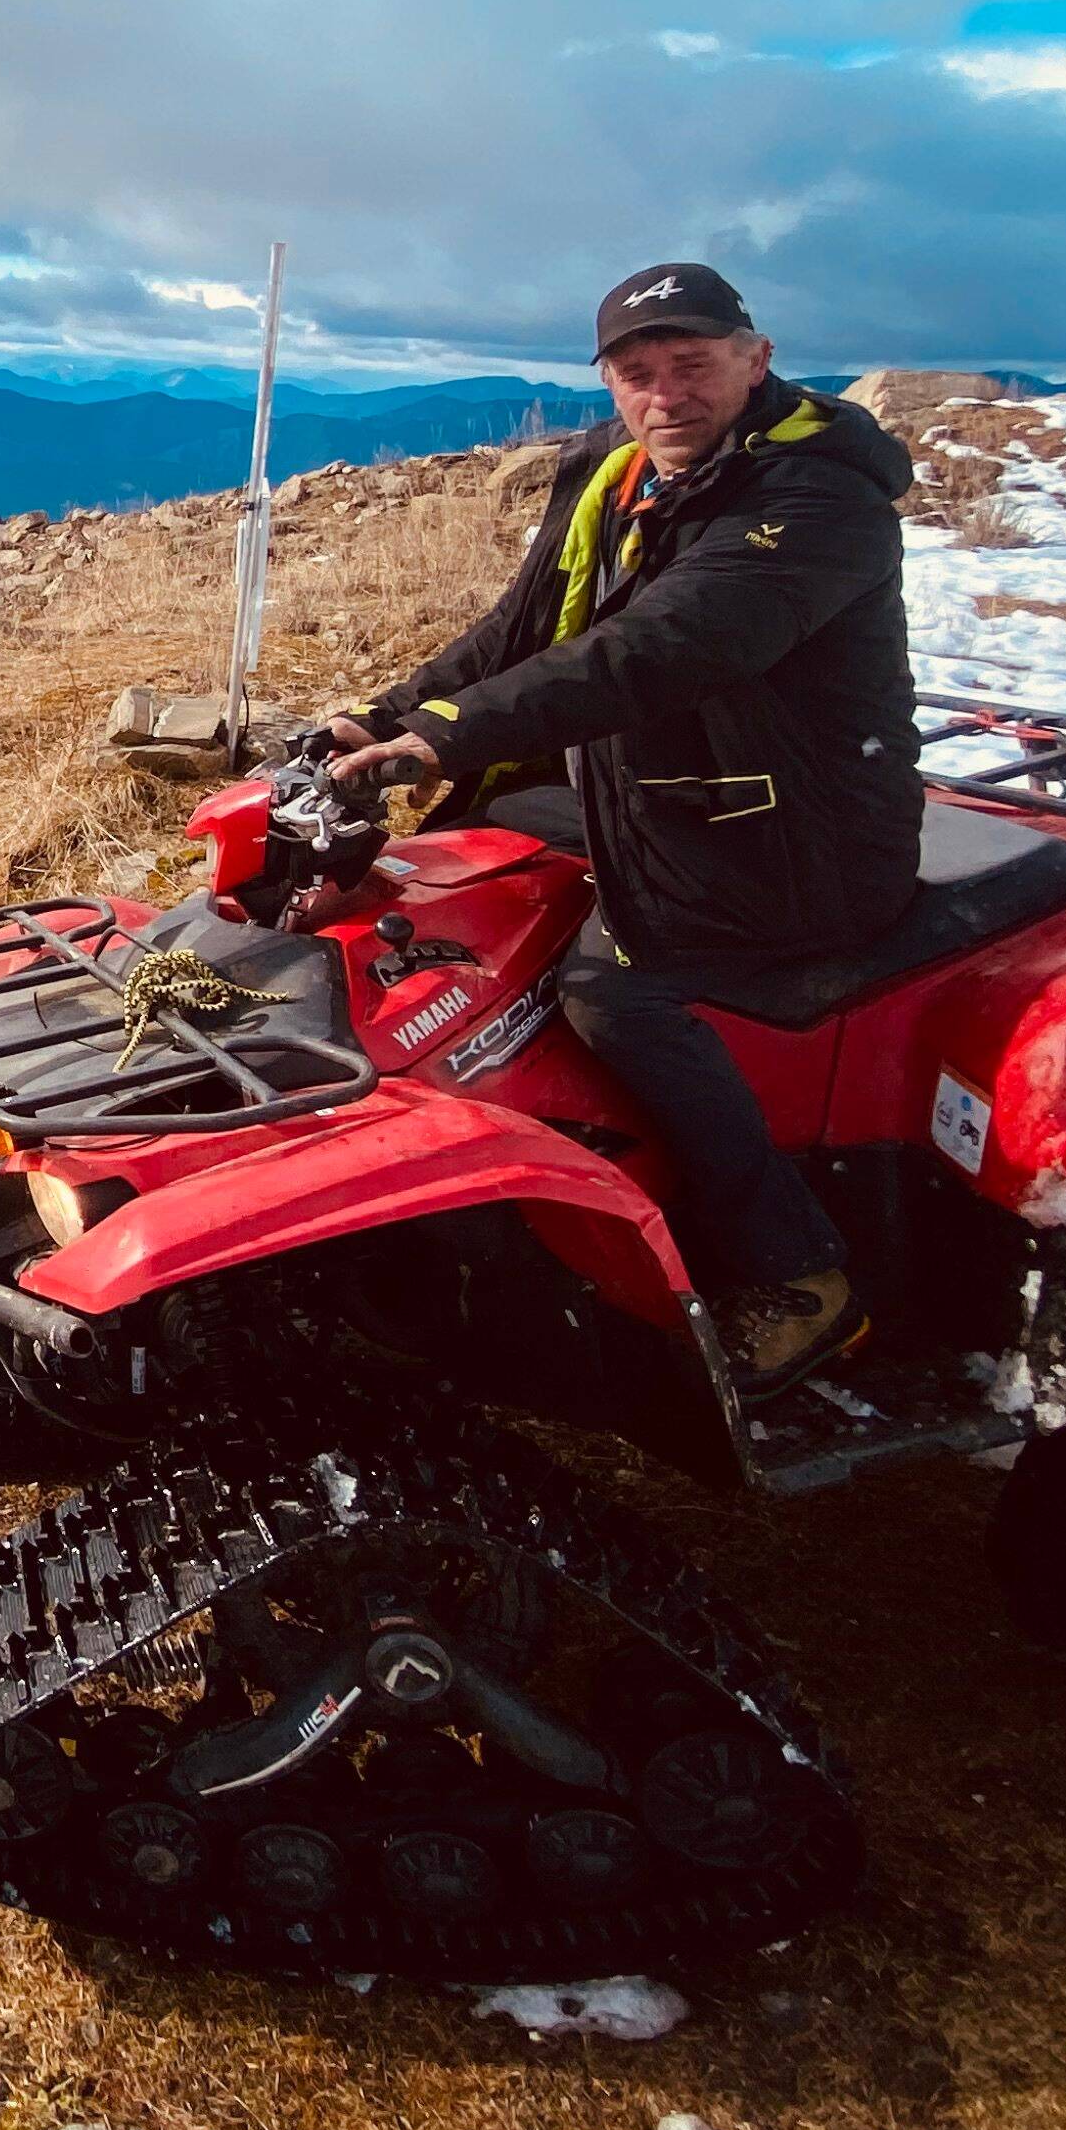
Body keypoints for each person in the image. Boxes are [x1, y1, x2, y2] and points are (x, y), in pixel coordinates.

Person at [325, 262, 922, 1396]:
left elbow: (658, 651)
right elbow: (522, 629)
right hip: (661, 794)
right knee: (460, 866)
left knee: (614, 987)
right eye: (637, 372)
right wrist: (388, 718)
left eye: (692, 364)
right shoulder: (618, 469)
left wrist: (445, 738)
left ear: (756, 359)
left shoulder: (819, 500)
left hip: (792, 833)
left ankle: (796, 1272)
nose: (665, 394)